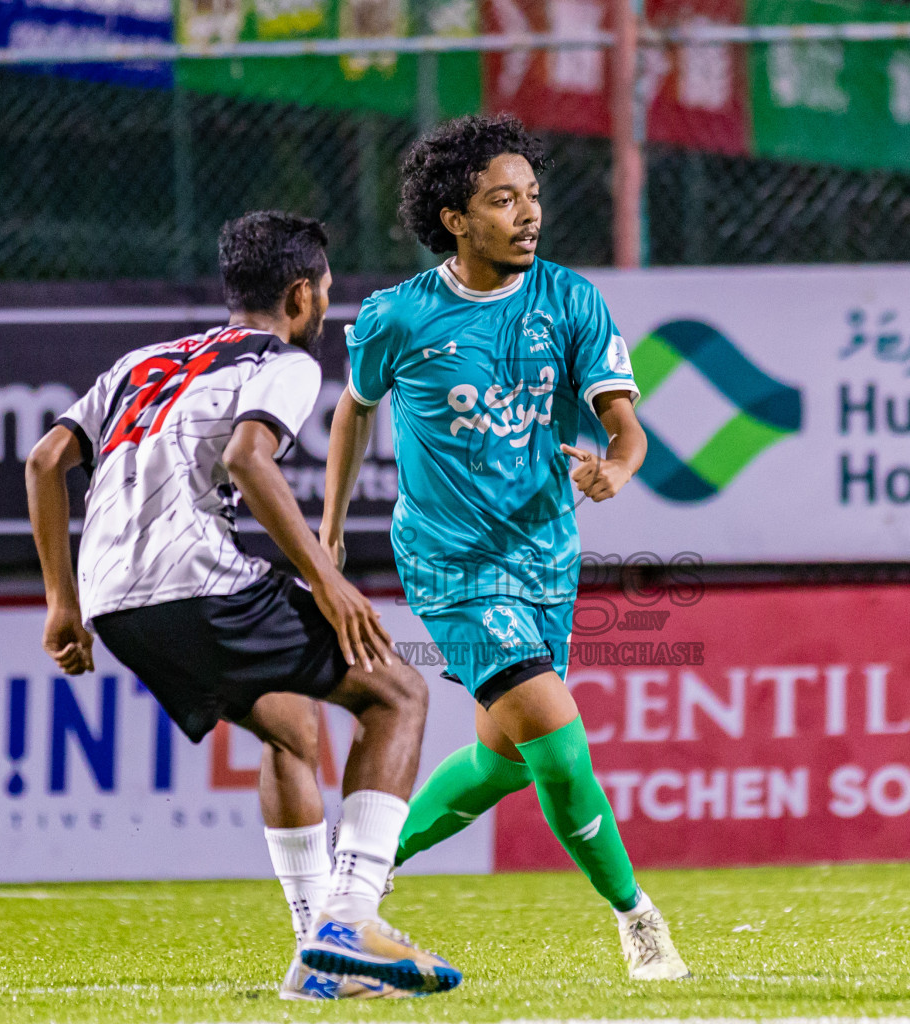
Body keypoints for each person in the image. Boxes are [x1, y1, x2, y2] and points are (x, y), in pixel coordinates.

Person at [24, 211, 459, 999]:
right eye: (324, 289)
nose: (326, 303)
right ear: (300, 294)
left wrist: (62, 602)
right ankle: (350, 916)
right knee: (397, 691)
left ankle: (318, 961)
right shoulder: (283, 362)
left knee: (291, 726)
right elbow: (248, 458)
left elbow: (46, 459)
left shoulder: (142, 362)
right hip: (193, 580)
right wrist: (328, 581)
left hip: (114, 603)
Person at [320, 115, 690, 981]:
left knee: (503, 760)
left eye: (532, 196)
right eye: (502, 200)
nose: (528, 215)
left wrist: (616, 468)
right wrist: (329, 528)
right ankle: (638, 919)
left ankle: (357, 877)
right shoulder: (398, 317)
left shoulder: (569, 300)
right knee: (557, 743)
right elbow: (354, 410)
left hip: (546, 558)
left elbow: (626, 429)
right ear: (454, 218)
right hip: (450, 563)